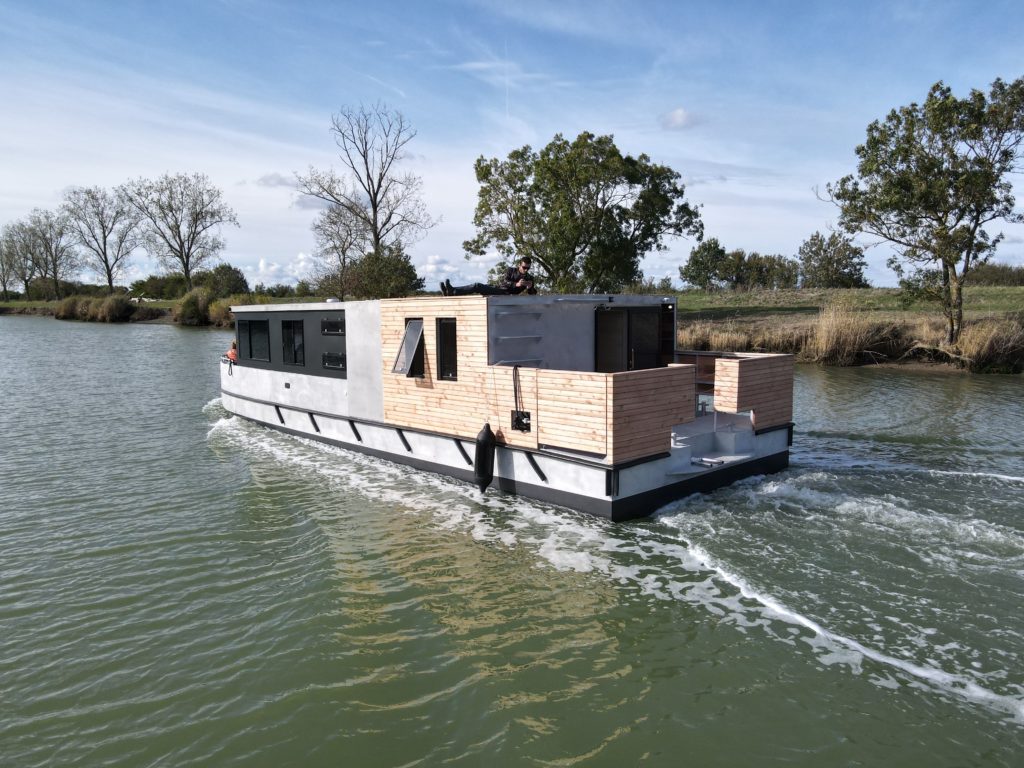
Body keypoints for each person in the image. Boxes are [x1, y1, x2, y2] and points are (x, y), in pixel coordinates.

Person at [441, 257, 539, 296]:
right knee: (479, 286)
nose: (526, 270)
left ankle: (452, 291)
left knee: (477, 286)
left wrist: (530, 288)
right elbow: (504, 282)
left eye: (528, 268)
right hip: (499, 288)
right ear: (519, 265)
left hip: (505, 294)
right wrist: (516, 284)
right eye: (524, 267)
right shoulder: (511, 270)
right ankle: (450, 291)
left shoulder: (529, 278)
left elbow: (533, 294)